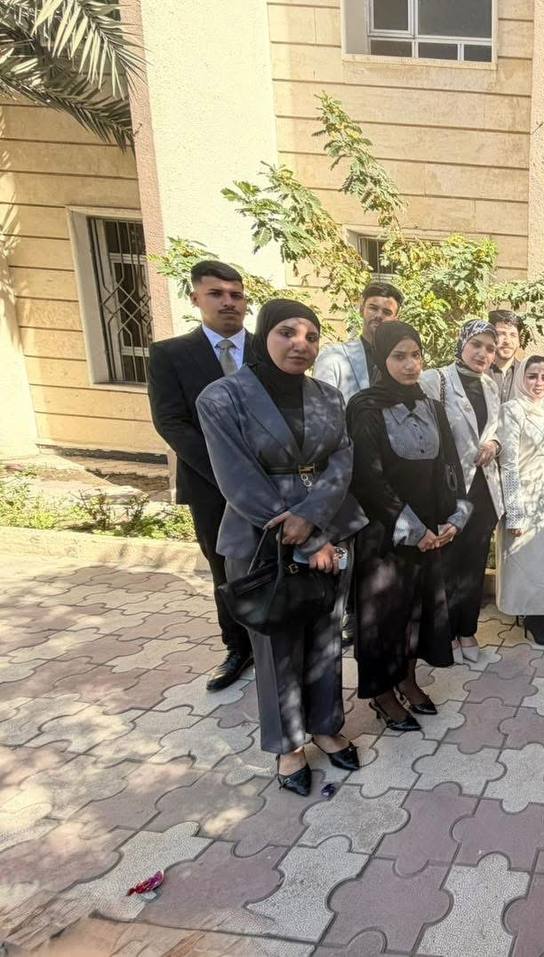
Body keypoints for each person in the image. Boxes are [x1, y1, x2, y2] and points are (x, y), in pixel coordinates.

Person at [196, 300, 367, 796]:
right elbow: (236, 477)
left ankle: (326, 726)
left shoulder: (328, 396)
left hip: (329, 530)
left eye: (311, 336)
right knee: (276, 648)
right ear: (264, 333)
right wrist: (304, 537)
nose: (301, 344)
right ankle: (288, 746)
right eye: (287, 332)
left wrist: (315, 523)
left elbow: (341, 461)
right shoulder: (223, 397)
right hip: (260, 538)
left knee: (326, 638)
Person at [347, 321, 472, 732]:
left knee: (418, 611)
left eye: (415, 355)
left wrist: (455, 517)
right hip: (385, 534)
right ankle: (382, 693)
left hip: (430, 533)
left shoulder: (431, 405)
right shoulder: (365, 407)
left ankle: (407, 678)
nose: (409, 364)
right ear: (382, 358)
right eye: (399, 356)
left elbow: (449, 466)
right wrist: (413, 529)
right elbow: (367, 478)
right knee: (383, 616)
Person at [147, 260, 255, 691]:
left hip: (274, 483)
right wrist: (228, 475)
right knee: (224, 568)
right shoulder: (170, 355)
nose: (228, 302)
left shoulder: (271, 346)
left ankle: (274, 640)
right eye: (217, 294)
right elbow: (171, 423)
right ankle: (238, 647)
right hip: (211, 487)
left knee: (276, 562)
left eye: (236, 295)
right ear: (195, 298)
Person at [421, 321, 504, 663]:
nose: (483, 353)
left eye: (490, 348)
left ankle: (467, 629)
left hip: (483, 490)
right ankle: (444, 633)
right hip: (449, 489)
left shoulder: (491, 385)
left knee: (473, 563)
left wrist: (494, 444)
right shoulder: (435, 380)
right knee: (446, 563)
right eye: (477, 345)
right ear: (462, 343)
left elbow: (498, 428)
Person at [495, 357, 544, 646]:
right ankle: (532, 621)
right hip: (524, 498)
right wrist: (515, 512)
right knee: (523, 563)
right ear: (521, 378)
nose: (538, 383)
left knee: (540, 564)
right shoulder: (512, 410)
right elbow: (509, 464)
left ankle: (535, 614)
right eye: (532, 376)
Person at [313, 281, 403, 401]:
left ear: (395, 320)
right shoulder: (333, 356)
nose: (378, 315)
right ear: (361, 310)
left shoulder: (405, 361)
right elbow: (321, 406)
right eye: (373, 308)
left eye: (386, 312)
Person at [488, 309, 522, 402]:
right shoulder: (478, 372)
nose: (507, 341)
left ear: (519, 341)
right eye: (501, 334)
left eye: (513, 335)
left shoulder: (527, 374)